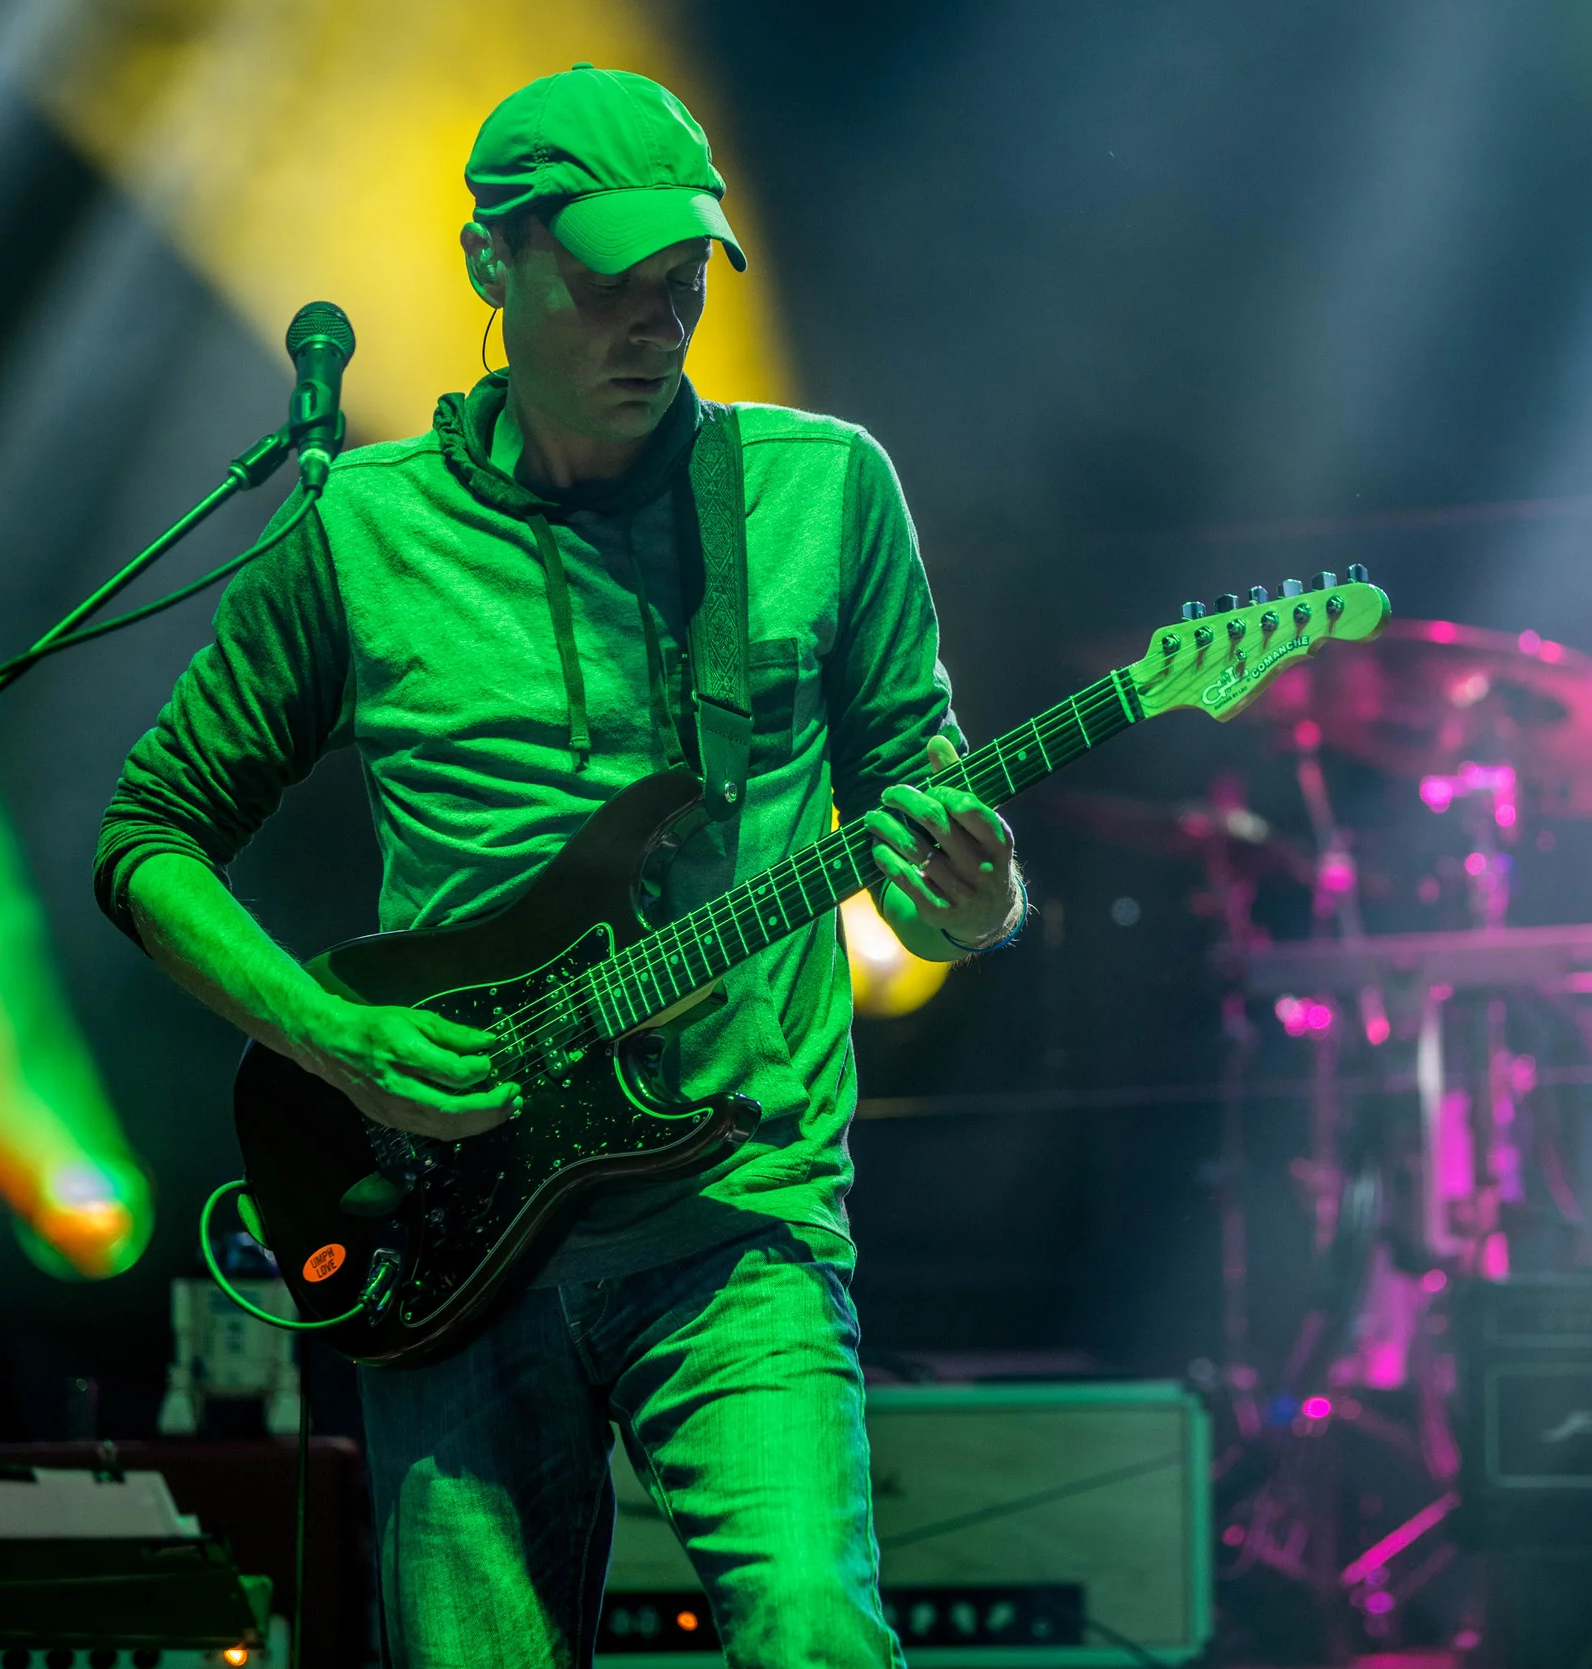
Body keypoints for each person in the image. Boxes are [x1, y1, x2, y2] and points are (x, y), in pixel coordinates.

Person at [94, 65, 1022, 1667]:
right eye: (606, 282)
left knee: (815, 1630)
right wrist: (336, 1037)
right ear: (489, 262)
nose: (656, 323)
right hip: (445, 1226)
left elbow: (926, 833)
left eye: (683, 279)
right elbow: (146, 840)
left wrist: (975, 902)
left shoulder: (820, 492)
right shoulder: (359, 528)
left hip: (736, 1211)